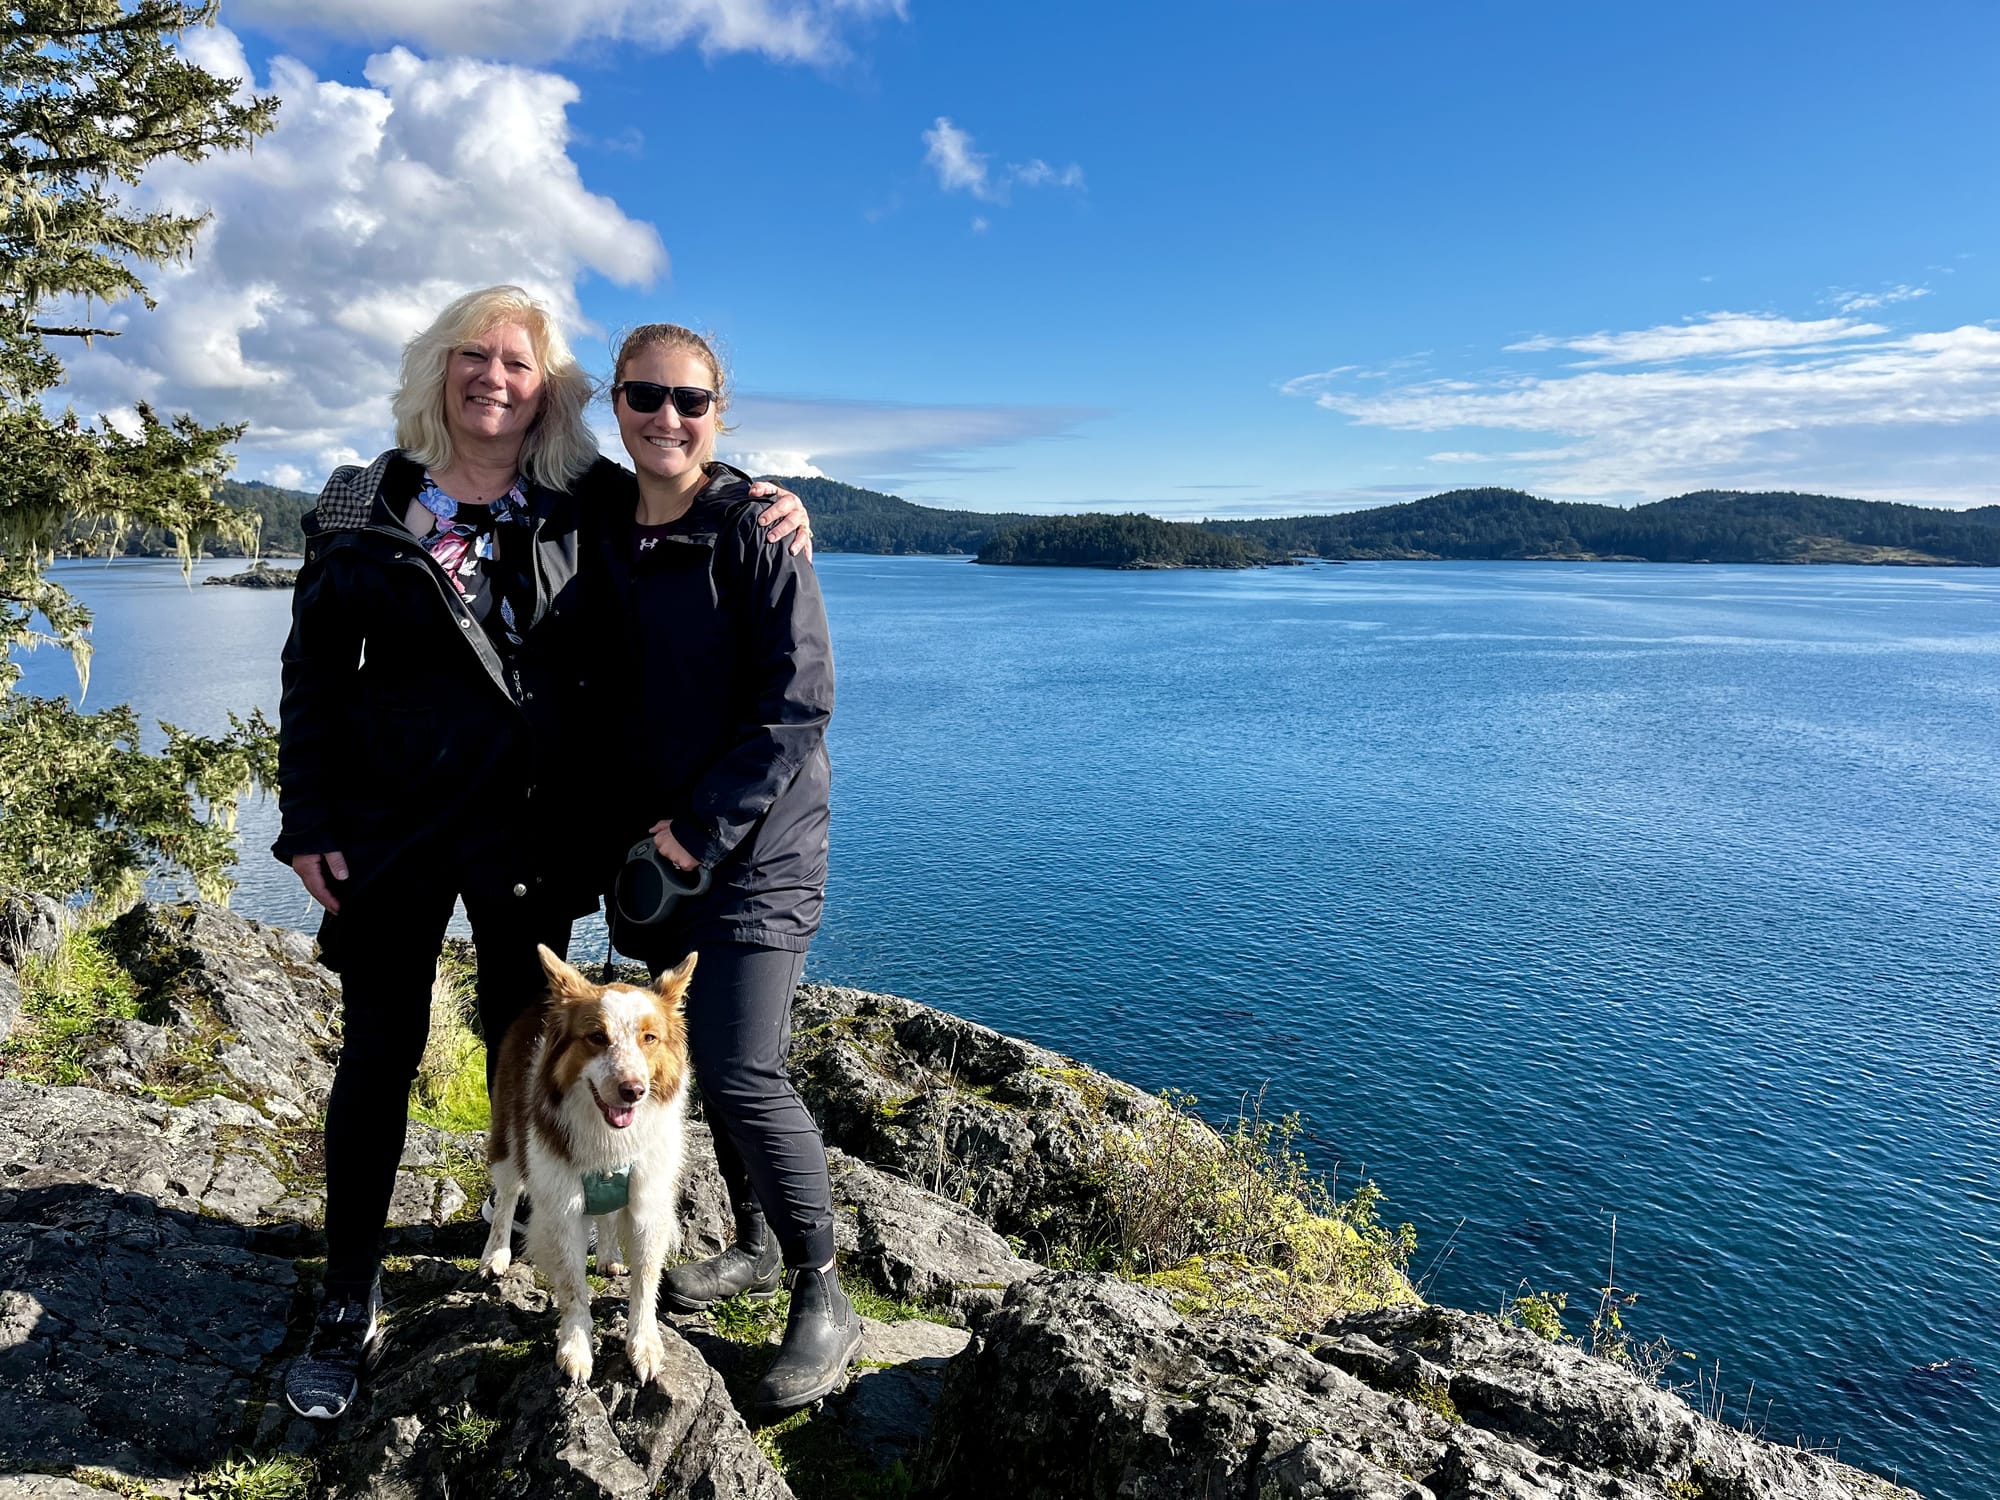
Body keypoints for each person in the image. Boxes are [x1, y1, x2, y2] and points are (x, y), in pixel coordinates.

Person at [271, 285, 810, 1421]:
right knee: (378, 1051)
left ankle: (514, 1210)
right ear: (438, 368)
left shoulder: (578, 500)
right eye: (474, 356)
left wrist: (769, 496)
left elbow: (685, 476)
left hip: (525, 830)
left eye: (519, 364)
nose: (494, 379)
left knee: (520, 1039)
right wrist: (308, 819)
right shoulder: (364, 506)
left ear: (548, 390)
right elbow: (313, 672)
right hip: (388, 829)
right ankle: (348, 1292)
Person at [588, 322, 853, 1416]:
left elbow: (799, 705)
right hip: (664, 850)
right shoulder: (603, 517)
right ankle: (749, 1244)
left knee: (743, 1067)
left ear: (718, 413)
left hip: (756, 848)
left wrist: (697, 832)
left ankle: (824, 1290)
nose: (668, 418)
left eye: (690, 401)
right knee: (697, 1058)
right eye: (645, 397)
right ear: (614, 404)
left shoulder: (753, 529)